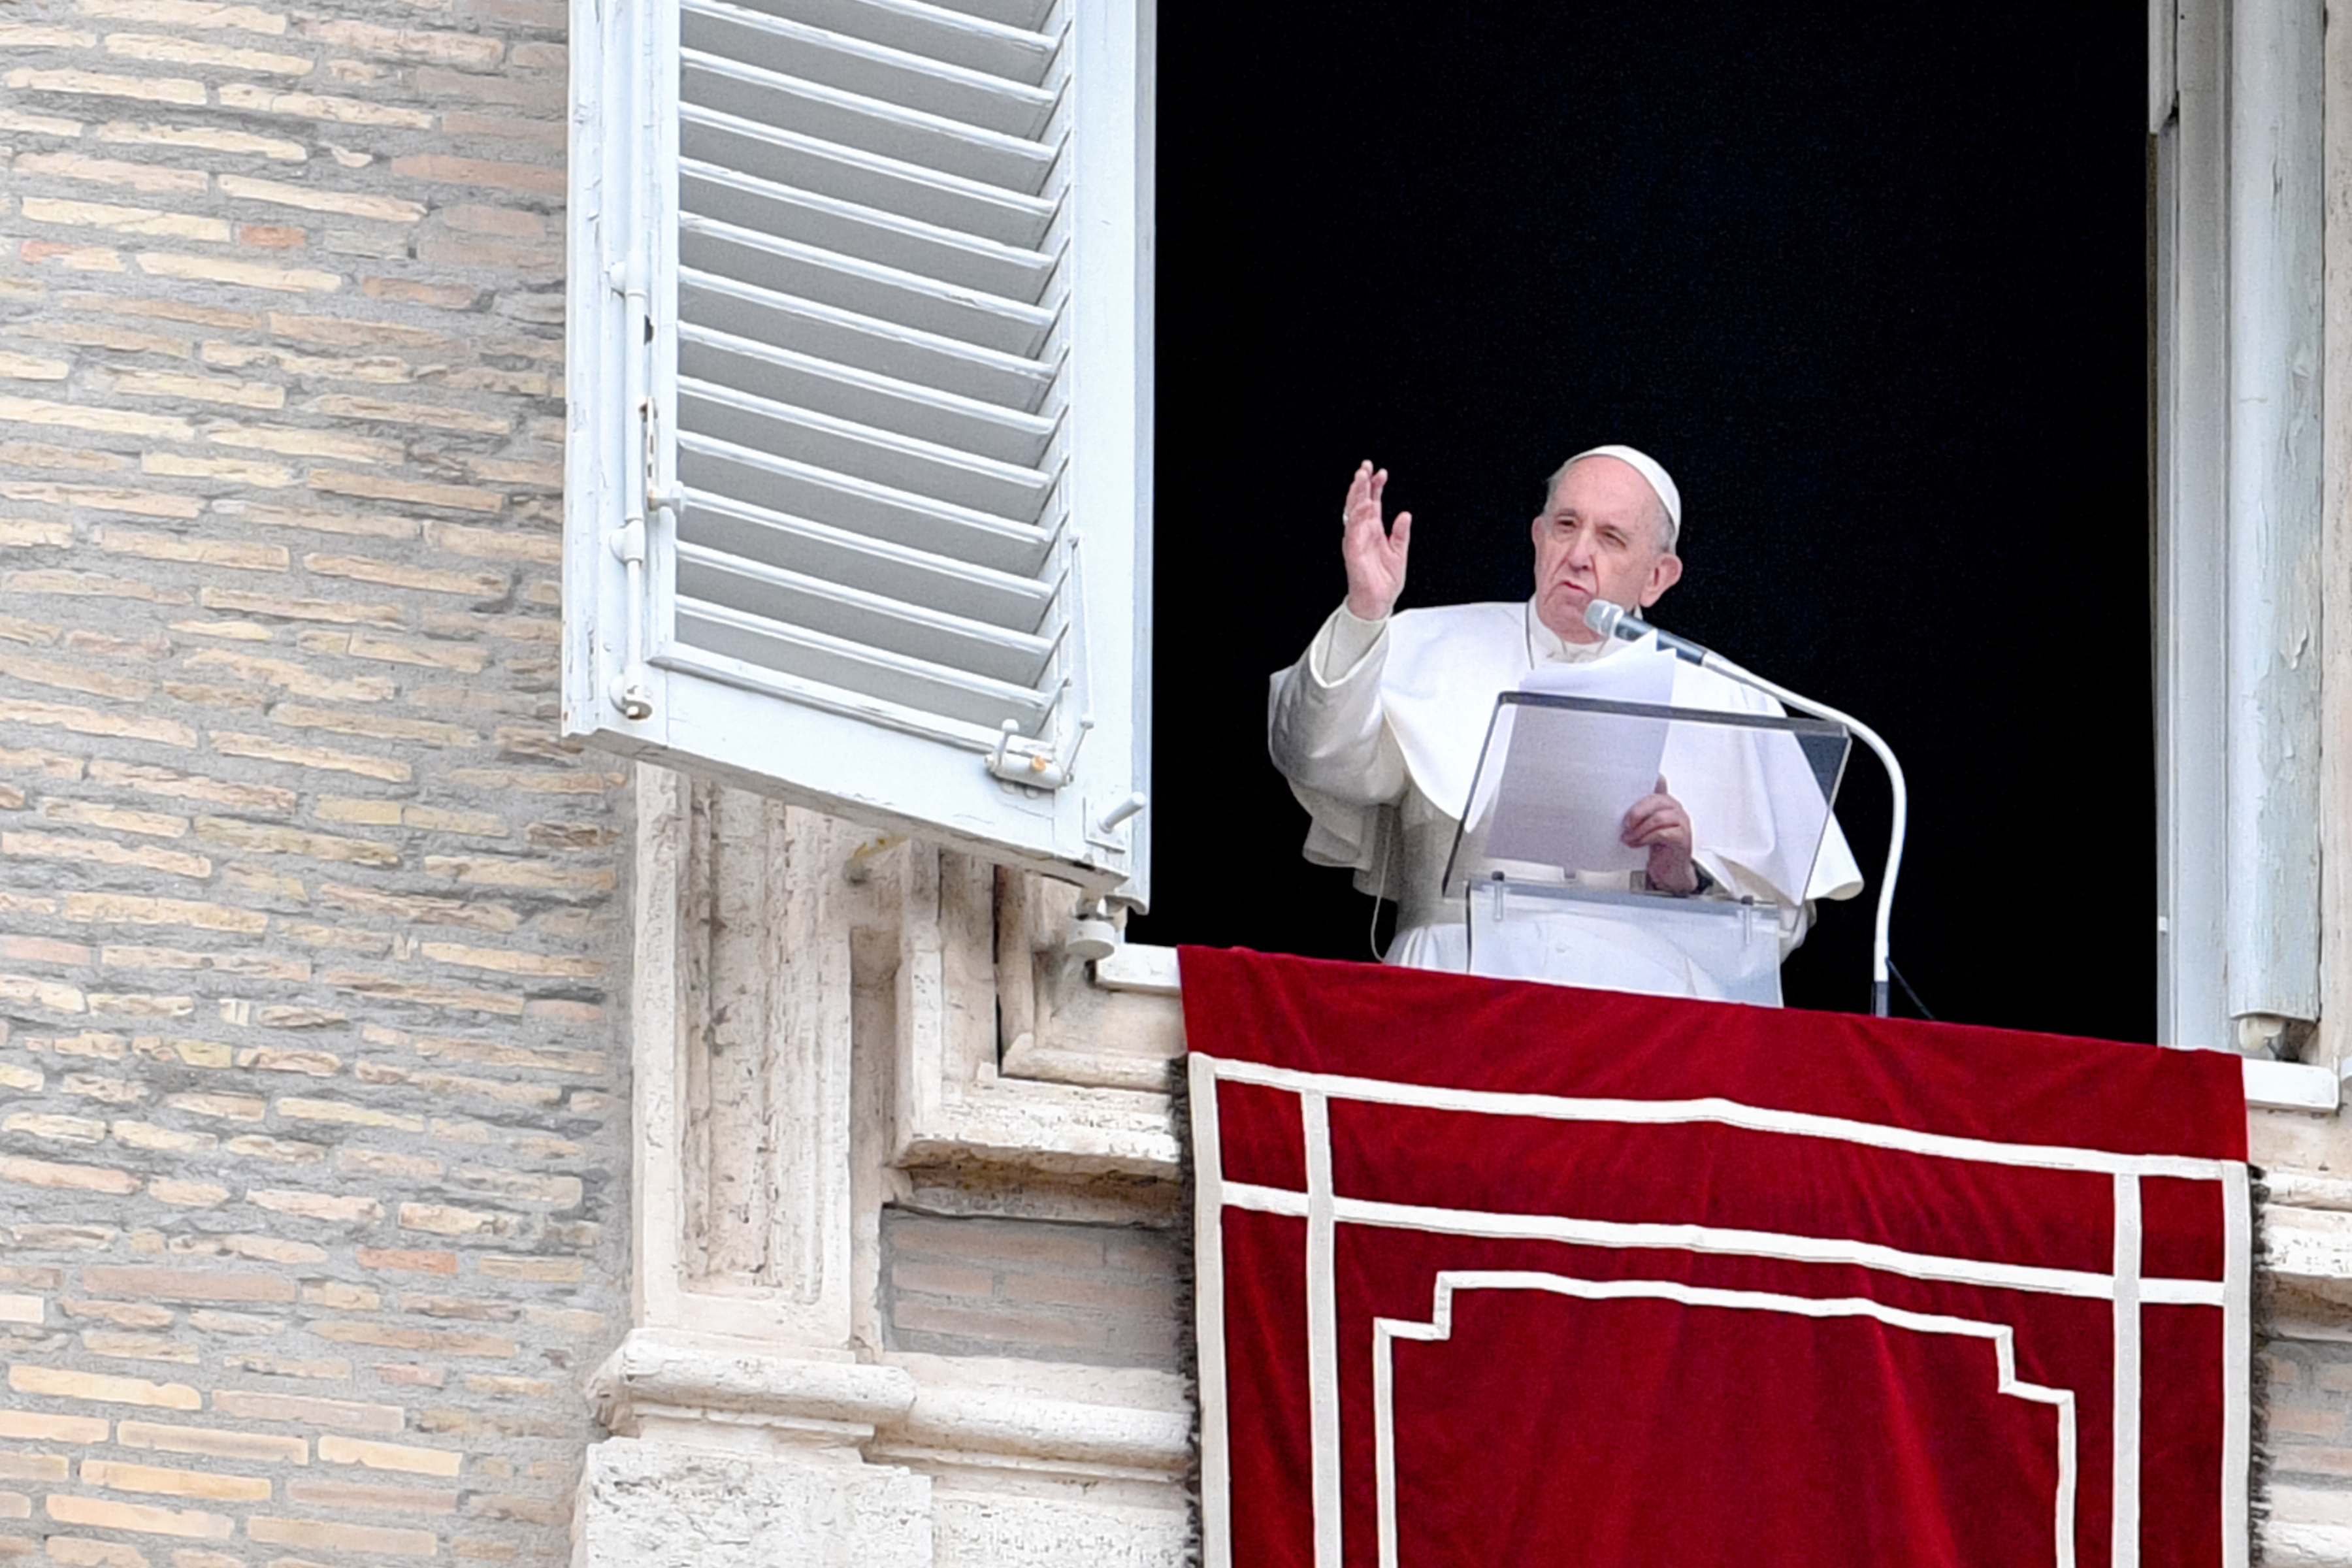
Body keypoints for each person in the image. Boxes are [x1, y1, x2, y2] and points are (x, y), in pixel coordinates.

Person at [1266, 446, 1862, 995]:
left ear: (1658, 577)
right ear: (1538, 536)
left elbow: (1775, 933)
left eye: (1611, 538)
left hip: (1644, 1021)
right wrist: (1365, 612)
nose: (1578, 556)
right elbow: (1314, 756)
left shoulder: (1729, 696)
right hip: (1452, 990)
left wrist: (1685, 877)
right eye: (1567, 526)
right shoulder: (1426, 641)